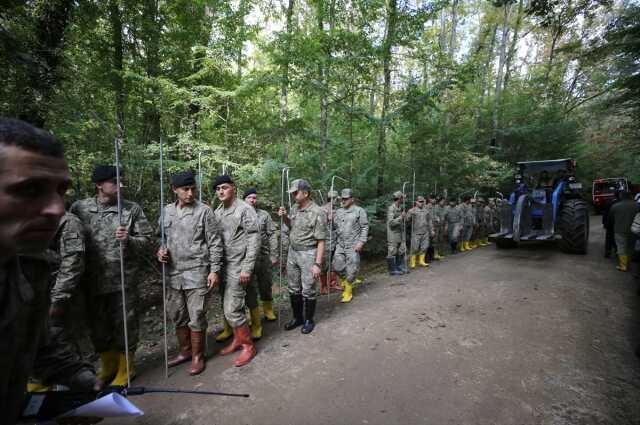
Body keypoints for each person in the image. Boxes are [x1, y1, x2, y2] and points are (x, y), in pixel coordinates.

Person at [0, 118, 69, 424]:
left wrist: (80, 380)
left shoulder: (31, 265)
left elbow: (37, 344)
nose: (57, 208)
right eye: (30, 190)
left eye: (61, 190)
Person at [71, 165, 153, 389]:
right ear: (99, 185)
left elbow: (147, 242)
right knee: (98, 326)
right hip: (92, 280)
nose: (120, 185)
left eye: (121, 181)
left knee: (125, 325)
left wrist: (129, 239)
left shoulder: (130, 209)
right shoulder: (80, 208)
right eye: (114, 182)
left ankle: (127, 368)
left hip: (123, 280)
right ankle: (107, 366)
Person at [156, 171, 223, 375]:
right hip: (173, 273)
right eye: (186, 189)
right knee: (177, 314)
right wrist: (160, 252)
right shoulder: (166, 211)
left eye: (193, 188)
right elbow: (160, 238)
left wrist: (215, 270)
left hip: (197, 271)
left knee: (197, 315)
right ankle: (185, 351)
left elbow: (215, 243)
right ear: (174, 190)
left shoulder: (204, 211)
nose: (191, 193)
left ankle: (197, 356)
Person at [29, 211, 97, 392]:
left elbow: (73, 262)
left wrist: (59, 298)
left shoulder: (67, 221)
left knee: (69, 344)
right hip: (37, 299)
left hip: (61, 296)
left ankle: (83, 392)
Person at [213, 175, 259, 366]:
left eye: (224, 187)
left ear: (234, 188)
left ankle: (248, 346)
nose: (220, 191)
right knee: (227, 306)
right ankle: (238, 339)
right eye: (217, 189)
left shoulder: (244, 209)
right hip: (223, 267)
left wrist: (247, 268)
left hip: (239, 266)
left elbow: (254, 239)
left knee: (232, 308)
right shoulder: (218, 212)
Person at [278, 179, 327, 334]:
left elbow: (321, 240)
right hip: (293, 253)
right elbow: (291, 226)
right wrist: (285, 217)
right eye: (292, 192)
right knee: (293, 288)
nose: (293, 195)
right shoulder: (294, 208)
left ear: (305, 193)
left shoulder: (317, 212)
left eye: (295, 192)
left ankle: (308, 319)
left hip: (308, 253)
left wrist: (317, 264)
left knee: (308, 289)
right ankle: (297, 317)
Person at [244, 187, 279, 324]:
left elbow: (272, 235)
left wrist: (274, 255)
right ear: (244, 199)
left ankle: (268, 310)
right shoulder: (239, 214)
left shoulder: (264, 215)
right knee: (250, 289)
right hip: (247, 259)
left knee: (265, 284)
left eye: (254, 197)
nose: (253, 200)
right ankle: (254, 315)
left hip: (264, 257)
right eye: (249, 198)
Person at [332, 188, 369, 303]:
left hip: (353, 244)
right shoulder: (338, 211)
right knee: (336, 266)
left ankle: (348, 291)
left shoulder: (359, 211)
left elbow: (365, 227)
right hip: (340, 244)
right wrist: (330, 219)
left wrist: (361, 242)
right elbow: (334, 227)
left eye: (346, 199)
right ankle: (347, 279)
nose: (343, 201)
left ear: (352, 199)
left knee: (352, 268)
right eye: (342, 199)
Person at [608, 191, 639, 272]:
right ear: (630, 196)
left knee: (621, 248)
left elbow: (611, 219)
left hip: (619, 230)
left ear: (621, 197)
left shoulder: (615, 206)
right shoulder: (637, 206)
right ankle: (628, 264)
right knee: (630, 247)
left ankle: (623, 266)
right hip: (634, 230)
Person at [320, 190, 339, 294]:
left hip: (335, 241)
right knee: (324, 265)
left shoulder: (335, 210)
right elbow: (318, 226)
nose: (337, 201)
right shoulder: (322, 210)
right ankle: (323, 287)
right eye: (336, 199)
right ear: (333, 199)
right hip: (325, 242)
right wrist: (327, 219)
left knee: (335, 264)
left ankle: (333, 284)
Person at [407, 196, 433, 269]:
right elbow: (407, 220)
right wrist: (409, 213)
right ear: (416, 202)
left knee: (425, 247)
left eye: (422, 202)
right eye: (420, 201)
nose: (421, 203)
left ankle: (421, 261)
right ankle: (413, 262)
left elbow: (429, 221)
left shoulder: (426, 210)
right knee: (414, 248)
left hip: (425, 232)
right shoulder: (412, 210)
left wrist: (432, 230)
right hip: (416, 232)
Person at [386, 191, 407, 275]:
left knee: (401, 250)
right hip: (393, 234)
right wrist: (400, 217)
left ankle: (399, 267)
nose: (403, 200)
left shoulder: (400, 208)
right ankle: (392, 270)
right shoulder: (391, 208)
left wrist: (404, 217)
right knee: (392, 251)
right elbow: (391, 223)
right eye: (402, 198)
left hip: (400, 233)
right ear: (399, 199)